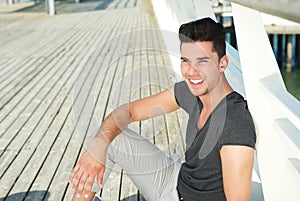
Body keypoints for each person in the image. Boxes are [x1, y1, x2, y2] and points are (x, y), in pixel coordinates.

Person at [69, 17, 256, 201]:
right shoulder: (193, 91)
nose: (191, 72)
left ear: (222, 63)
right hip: (174, 180)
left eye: (202, 61)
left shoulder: (234, 123)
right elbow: (128, 112)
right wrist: (96, 151)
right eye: (186, 61)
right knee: (109, 137)